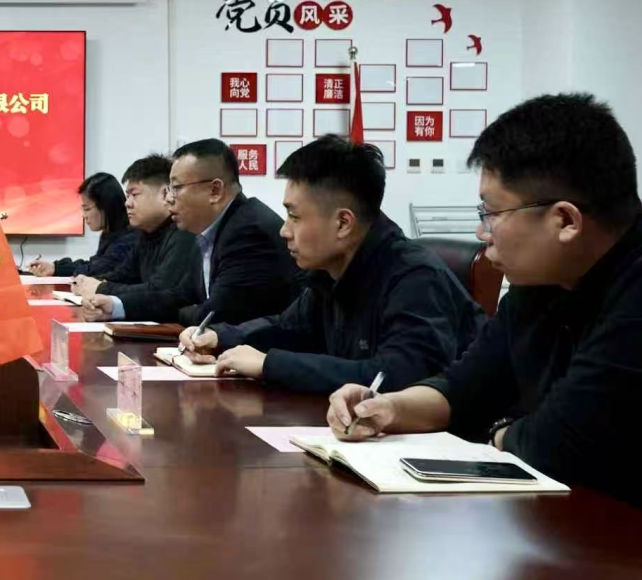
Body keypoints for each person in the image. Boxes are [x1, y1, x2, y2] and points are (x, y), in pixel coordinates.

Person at [327, 94, 642, 527]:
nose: (481, 230)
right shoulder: (541, 283)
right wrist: (389, 408)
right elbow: (464, 388)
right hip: (576, 530)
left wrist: (500, 431)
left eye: (491, 213)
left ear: (565, 221)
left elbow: (560, 445)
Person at [180, 136, 483, 394]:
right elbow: (287, 327)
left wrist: (270, 364)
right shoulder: (330, 272)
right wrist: (220, 337)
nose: (284, 230)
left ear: (342, 223)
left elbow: (395, 378)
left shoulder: (414, 277)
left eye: (294, 217)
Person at [127, 138, 300, 325]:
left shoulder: (248, 233)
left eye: (176, 188)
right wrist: (115, 306)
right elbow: (180, 296)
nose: (169, 198)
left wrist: (189, 310)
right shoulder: (209, 231)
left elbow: (214, 315)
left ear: (215, 190)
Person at [75, 156, 198, 323]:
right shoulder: (145, 233)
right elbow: (123, 275)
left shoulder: (183, 232)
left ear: (164, 194)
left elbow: (159, 290)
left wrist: (102, 288)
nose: (128, 203)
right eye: (127, 196)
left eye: (134, 195)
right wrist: (90, 282)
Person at [28, 172, 138, 280]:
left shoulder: (130, 237)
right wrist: (55, 268)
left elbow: (98, 270)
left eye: (87, 209)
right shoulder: (110, 233)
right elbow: (95, 264)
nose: (84, 215)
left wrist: (59, 269)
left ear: (106, 206)